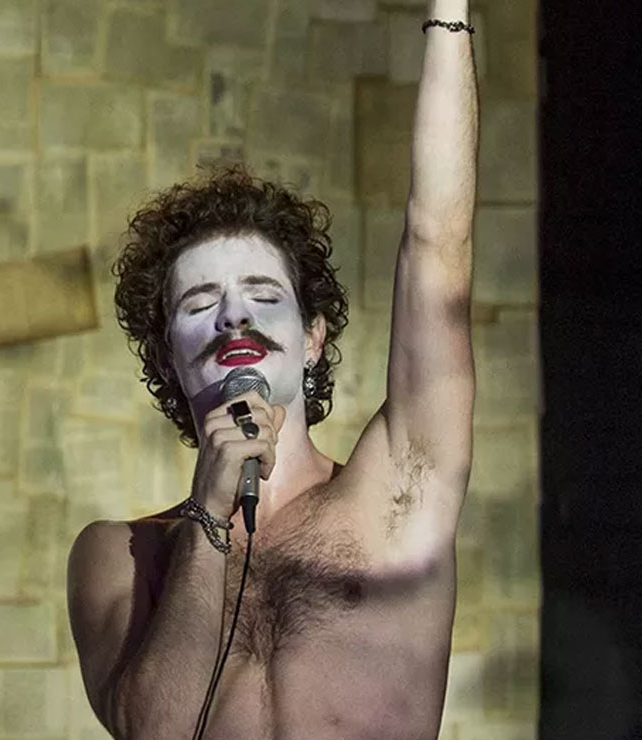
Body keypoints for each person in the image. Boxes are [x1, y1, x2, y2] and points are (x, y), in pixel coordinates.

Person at [66, 1, 478, 737]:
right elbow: (153, 730)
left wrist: (448, 15)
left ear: (313, 337)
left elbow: (438, 240)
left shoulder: (396, 491)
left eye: (262, 295)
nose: (234, 316)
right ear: (167, 355)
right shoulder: (121, 555)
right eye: (201, 302)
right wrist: (208, 514)